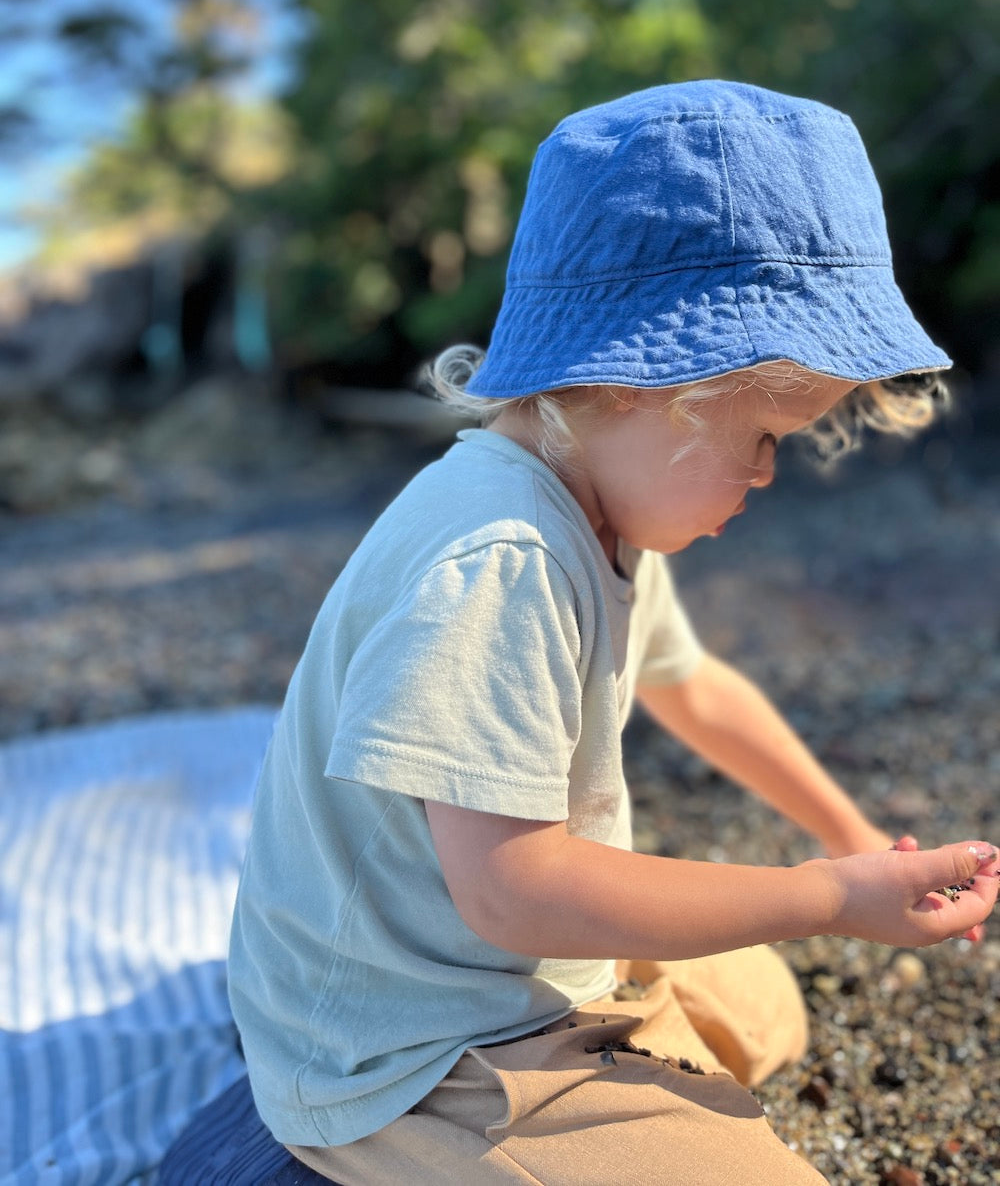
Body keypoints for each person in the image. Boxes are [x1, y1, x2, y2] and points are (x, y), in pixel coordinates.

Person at [227, 81, 998, 1185]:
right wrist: (824, 900)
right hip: (406, 1046)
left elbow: (694, 686)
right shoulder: (500, 556)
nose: (772, 473)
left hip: (504, 968)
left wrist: (849, 840)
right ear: (644, 384)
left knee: (767, 1012)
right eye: (765, 434)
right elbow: (512, 888)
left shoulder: (604, 507)